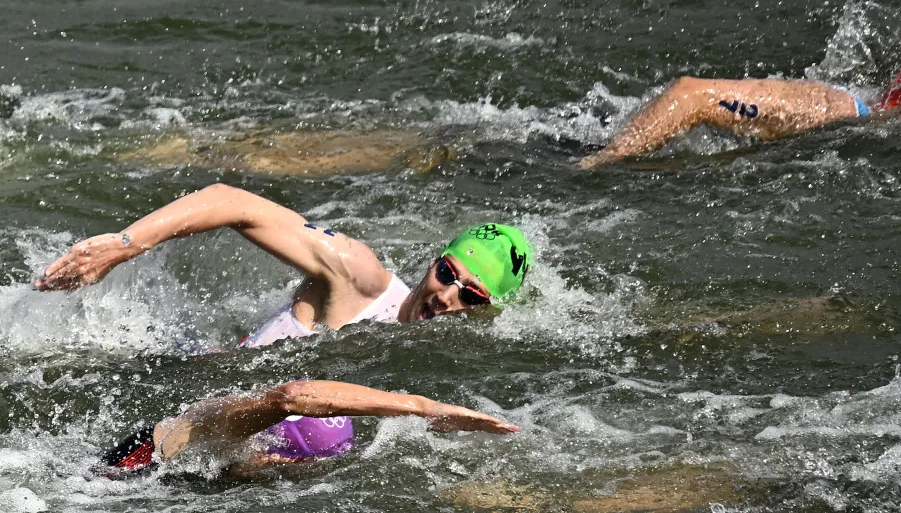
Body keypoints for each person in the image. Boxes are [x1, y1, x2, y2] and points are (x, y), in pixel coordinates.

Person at [33, 183, 534, 344]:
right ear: (432, 263)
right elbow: (231, 201)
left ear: (487, 312)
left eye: (471, 294)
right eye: (447, 273)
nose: (446, 295)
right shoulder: (359, 277)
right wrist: (124, 245)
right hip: (194, 384)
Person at [579, 54, 901, 168]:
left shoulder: (847, 112)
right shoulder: (831, 109)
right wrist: (602, 162)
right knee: (694, 95)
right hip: (602, 152)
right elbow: (691, 95)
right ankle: (599, 157)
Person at [101, 378, 519, 476]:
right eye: (289, 460)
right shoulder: (224, 428)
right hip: (124, 469)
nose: (280, 466)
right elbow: (290, 397)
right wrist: (421, 407)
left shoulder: (233, 465)